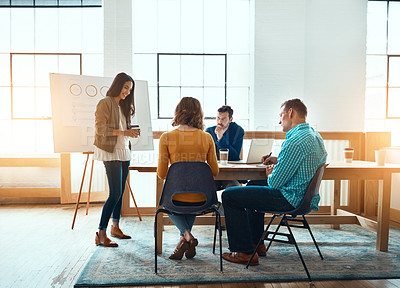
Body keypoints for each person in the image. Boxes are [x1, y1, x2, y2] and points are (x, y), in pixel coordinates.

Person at [221, 98, 327, 265]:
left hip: (288, 198)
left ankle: (244, 252)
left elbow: (274, 183)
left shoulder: (294, 140)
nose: (279, 121)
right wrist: (278, 160)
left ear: (290, 113)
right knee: (253, 186)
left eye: (281, 115)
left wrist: (270, 173)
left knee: (229, 195)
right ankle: (257, 244)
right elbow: (304, 162)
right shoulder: (314, 136)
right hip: (303, 197)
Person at [157, 97, 219, 260]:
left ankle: (186, 236)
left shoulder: (166, 137)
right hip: (202, 199)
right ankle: (185, 238)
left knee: (166, 202)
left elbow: (162, 174)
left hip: (175, 199)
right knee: (191, 195)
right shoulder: (207, 138)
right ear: (199, 115)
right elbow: (214, 171)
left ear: (178, 112)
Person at [93, 72, 141, 247]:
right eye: (125, 87)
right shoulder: (105, 103)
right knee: (114, 193)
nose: (127, 92)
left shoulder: (123, 106)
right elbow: (100, 130)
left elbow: (123, 130)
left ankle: (115, 227)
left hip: (123, 152)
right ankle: (101, 233)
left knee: (120, 192)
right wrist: (124, 132)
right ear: (118, 85)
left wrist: (131, 133)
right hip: (110, 152)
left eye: (130, 89)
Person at [205, 105, 245, 190]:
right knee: (206, 187)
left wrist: (221, 138)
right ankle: (213, 203)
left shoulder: (238, 131)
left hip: (230, 173)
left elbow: (234, 156)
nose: (219, 121)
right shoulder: (209, 131)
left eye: (223, 119)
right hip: (213, 171)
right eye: (218, 118)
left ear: (230, 120)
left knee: (234, 188)